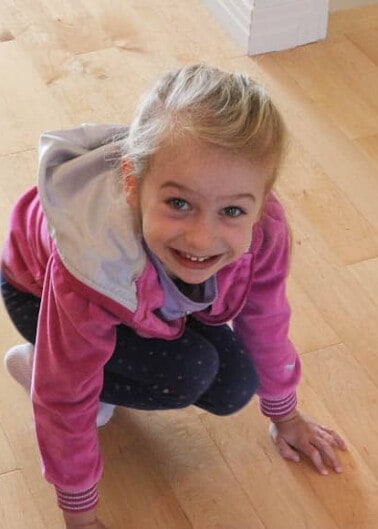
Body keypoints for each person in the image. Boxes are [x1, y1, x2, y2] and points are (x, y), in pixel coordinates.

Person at [1, 64, 347, 529]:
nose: (203, 239)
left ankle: (106, 345)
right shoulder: (92, 263)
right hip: (40, 294)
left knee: (232, 385)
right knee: (185, 372)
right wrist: (79, 517)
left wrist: (285, 415)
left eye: (232, 210)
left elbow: (265, 319)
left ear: (261, 205)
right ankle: (37, 358)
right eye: (179, 203)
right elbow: (63, 398)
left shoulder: (264, 231)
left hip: (144, 294)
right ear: (132, 183)